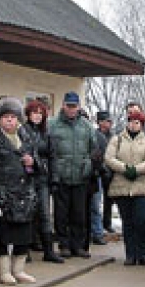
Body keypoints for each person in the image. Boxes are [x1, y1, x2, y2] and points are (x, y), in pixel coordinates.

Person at [0, 97, 40, 285]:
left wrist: (32, 163)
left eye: (13, 117)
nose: (10, 121)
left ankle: (19, 270)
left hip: (24, 194)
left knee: (23, 233)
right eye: (6, 117)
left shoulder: (25, 136)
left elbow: (40, 165)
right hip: (1, 193)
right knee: (2, 234)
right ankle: (4, 272)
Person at [105, 108, 145, 266]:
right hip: (122, 187)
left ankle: (144, 253)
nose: (133, 125)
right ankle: (130, 254)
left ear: (141, 125)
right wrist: (125, 168)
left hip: (142, 186)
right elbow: (109, 158)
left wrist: (137, 170)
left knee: (142, 220)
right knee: (127, 222)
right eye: (131, 122)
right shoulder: (117, 139)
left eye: (137, 122)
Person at [48, 92, 95, 258]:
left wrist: (88, 165)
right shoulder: (52, 125)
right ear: (63, 105)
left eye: (74, 106)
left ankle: (78, 246)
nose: (71, 109)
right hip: (60, 177)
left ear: (79, 107)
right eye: (68, 106)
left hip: (80, 177)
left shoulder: (87, 127)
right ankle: (64, 245)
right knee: (61, 214)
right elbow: (48, 150)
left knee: (79, 214)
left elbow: (94, 150)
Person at [24, 100, 63, 263]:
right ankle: (23, 250)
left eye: (40, 113)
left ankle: (49, 251)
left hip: (43, 178)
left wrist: (54, 178)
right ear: (28, 114)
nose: (37, 116)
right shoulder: (22, 131)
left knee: (45, 214)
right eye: (34, 113)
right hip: (26, 178)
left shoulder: (47, 133)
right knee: (27, 214)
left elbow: (53, 156)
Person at [90, 110, 115, 244]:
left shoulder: (113, 136)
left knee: (109, 201)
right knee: (96, 203)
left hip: (110, 172)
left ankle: (107, 223)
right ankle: (97, 230)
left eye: (110, 121)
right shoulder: (95, 135)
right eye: (106, 121)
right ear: (100, 122)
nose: (109, 123)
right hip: (99, 172)